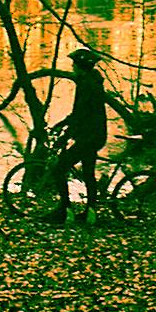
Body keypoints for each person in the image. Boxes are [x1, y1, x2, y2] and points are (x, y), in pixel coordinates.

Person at [46, 48, 107, 225]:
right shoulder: (93, 81)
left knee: (59, 169)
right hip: (95, 135)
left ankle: (65, 211)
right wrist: (64, 124)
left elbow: (81, 114)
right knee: (88, 173)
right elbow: (80, 113)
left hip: (88, 137)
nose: (72, 66)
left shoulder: (87, 84)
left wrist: (65, 135)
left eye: (74, 64)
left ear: (81, 67)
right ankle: (91, 214)